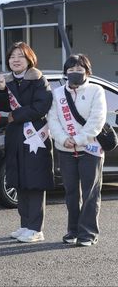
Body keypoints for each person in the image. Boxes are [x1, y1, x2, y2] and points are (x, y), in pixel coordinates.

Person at [0, 42, 53, 243]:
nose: (16, 60)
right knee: (19, 180)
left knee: (34, 182)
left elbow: (41, 107)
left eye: (20, 56)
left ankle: (36, 228)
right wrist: (2, 91)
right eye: (12, 56)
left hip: (35, 137)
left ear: (29, 59)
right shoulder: (7, 82)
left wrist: (15, 115)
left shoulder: (39, 80)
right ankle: (25, 224)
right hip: (15, 137)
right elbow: (1, 106)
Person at [48, 54, 106, 246]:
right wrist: (64, 139)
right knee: (71, 192)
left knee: (90, 192)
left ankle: (88, 233)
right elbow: (53, 119)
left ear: (87, 72)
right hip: (65, 149)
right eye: (71, 70)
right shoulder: (57, 94)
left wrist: (80, 139)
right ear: (65, 73)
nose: (75, 73)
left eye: (79, 70)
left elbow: (97, 120)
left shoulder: (96, 90)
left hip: (91, 148)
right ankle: (73, 230)